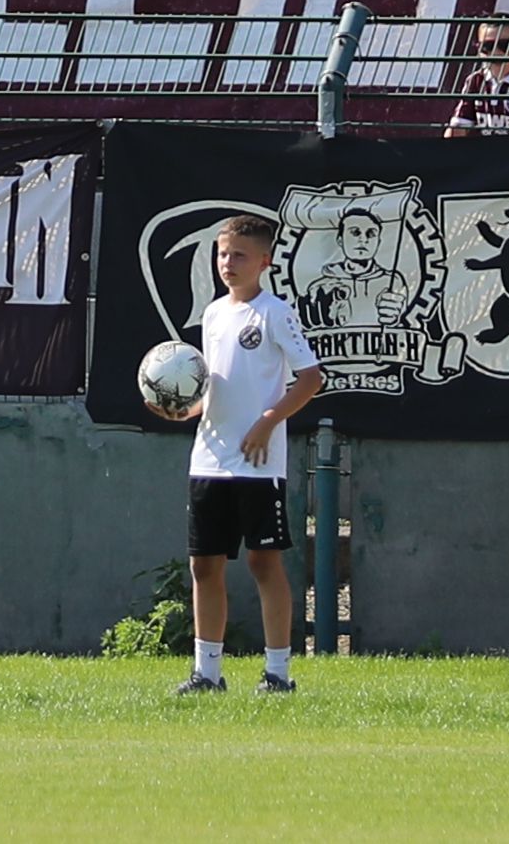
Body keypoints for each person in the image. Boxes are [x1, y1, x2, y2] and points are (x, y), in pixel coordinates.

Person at [168, 212, 321, 699]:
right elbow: (216, 382)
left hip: (257, 462)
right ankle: (207, 674)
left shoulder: (274, 313)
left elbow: (312, 379)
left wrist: (267, 422)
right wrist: (189, 408)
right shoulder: (213, 314)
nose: (227, 263)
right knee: (204, 565)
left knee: (263, 562)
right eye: (221, 253)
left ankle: (278, 674)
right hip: (209, 458)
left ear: (264, 262)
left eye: (238, 255)